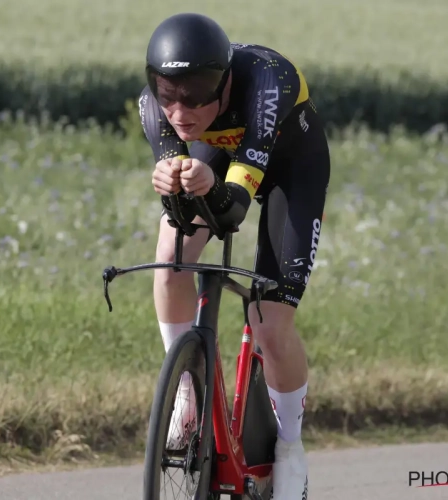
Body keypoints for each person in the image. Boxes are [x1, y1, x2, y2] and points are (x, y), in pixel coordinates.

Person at [138, 12, 331, 500]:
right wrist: (171, 184)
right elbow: (184, 211)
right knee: (169, 258)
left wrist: (216, 191)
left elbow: (235, 207)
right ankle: (184, 390)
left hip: (290, 165)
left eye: (198, 90)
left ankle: (290, 446)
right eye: (169, 93)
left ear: (224, 84)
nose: (181, 110)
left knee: (270, 321)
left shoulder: (266, 83)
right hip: (220, 156)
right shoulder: (155, 107)